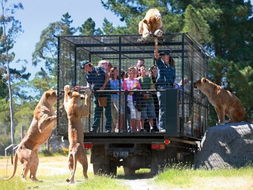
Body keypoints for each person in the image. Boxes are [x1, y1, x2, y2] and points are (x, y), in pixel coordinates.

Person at [81, 60, 112, 133]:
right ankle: (94, 129)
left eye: (84, 67)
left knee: (107, 111)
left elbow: (107, 76)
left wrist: (103, 86)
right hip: (97, 94)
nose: (84, 69)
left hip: (105, 92)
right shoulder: (88, 75)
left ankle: (108, 128)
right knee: (97, 111)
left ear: (88, 65)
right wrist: (80, 88)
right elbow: (88, 86)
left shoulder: (99, 69)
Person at [154, 46, 176, 132]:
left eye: (165, 55)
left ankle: (169, 127)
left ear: (168, 56)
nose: (163, 56)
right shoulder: (160, 64)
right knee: (163, 108)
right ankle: (162, 127)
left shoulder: (172, 67)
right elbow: (156, 56)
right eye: (162, 55)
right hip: (162, 87)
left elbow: (173, 79)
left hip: (170, 88)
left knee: (169, 109)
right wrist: (156, 47)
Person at [123, 66, 141, 132]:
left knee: (137, 115)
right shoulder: (125, 80)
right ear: (128, 73)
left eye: (134, 72)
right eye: (131, 72)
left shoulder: (136, 80)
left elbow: (139, 88)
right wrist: (132, 90)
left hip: (136, 99)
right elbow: (125, 90)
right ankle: (133, 129)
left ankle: (135, 129)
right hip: (129, 100)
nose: (133, 74)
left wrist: (132, 90)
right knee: (133, 113)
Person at [138, 66, 156, 132]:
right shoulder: (138, 79)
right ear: (139, 71)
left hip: (150, 99)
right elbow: (137, 88)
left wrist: (148, 92)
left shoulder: (149, 78)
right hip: (142, 100)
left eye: (144, 69)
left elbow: (153, 88)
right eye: (142, 69)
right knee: (142, 115)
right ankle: (142, 128)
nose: (143, 70)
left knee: (151, 114)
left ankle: (152, 128)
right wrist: (143, 94)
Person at [109, 67, 125, 132]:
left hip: (118, 98)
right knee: (112, 114)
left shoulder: (120, 80)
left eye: (117, 71)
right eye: (116, 71)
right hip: (111, 98)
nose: (117, 72)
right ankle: (112, 129)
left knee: (120, 112)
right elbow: (108, 88)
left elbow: (123, 88)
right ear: (112, 72)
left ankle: (119, 128)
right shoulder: (109, 80)